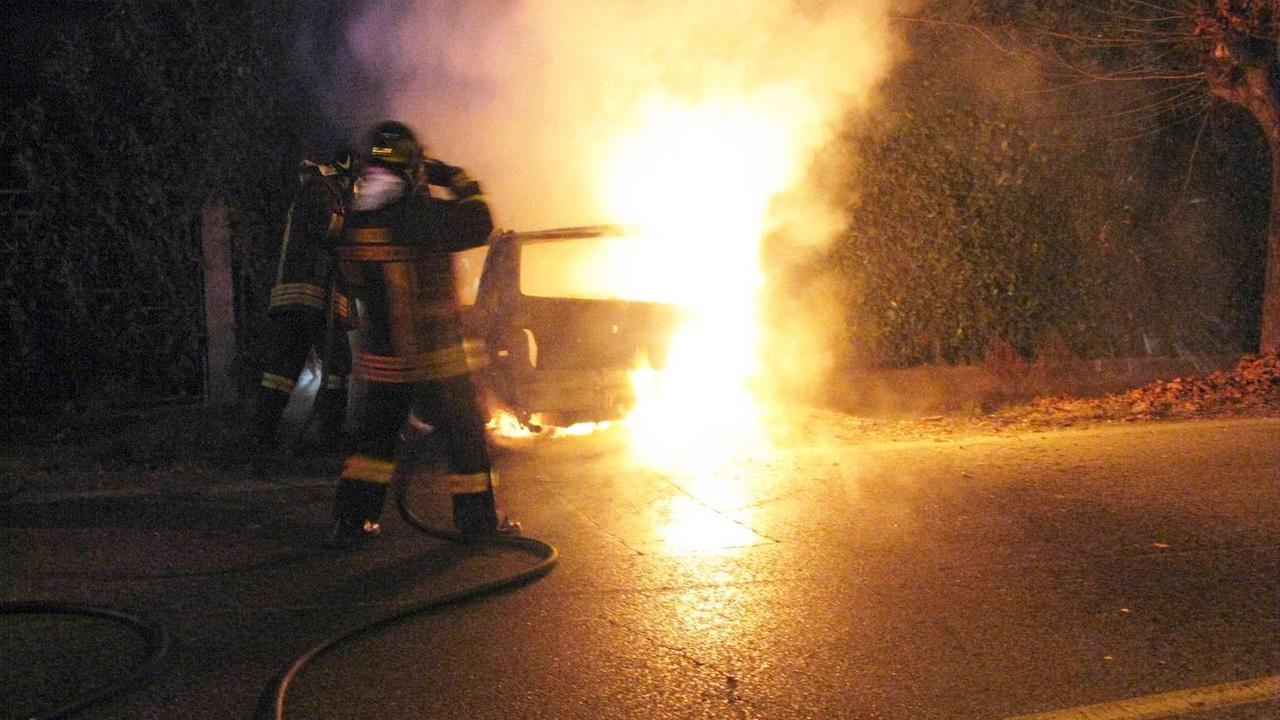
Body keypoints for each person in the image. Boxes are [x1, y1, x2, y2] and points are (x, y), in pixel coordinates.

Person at [327, 120, 510, 548]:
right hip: (437, 357)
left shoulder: (355, 221)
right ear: (412, 169)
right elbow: (481, 222)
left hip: (385, 361)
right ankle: (477, 524)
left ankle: (351, 523)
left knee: (374, 445)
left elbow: (350, 277)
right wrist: (460, 180)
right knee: (464, 440)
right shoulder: (425, 214)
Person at [250, 149, 357, 455]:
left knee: (281, 371)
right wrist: (353, 226)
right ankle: (330, 438)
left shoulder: (313, 189)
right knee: (337, 367)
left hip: (297, 299)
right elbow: (327, 229)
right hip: (314, 298)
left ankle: (263, 436)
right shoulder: (321, 190)